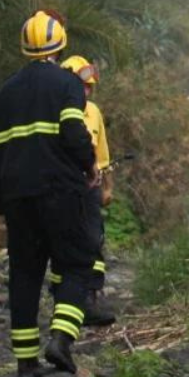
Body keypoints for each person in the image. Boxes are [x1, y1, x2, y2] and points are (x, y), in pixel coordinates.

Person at [0, 12, 98, 377]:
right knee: (78, 264)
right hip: (61, 192)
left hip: (19, 198)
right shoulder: (67, 84)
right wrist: (90, 166)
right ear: (60, 44)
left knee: (25, 275)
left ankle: (25, 362)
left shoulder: (5, 92)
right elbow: (73, 132)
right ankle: (61, 338)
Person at [58, 55, 116, 327]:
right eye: (83, 86)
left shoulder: (93, 112)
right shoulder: (55, 108)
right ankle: (64, 300)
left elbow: (102, 155)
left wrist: (107, 187)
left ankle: (91, 297)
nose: (86, 92)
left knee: (94, 239)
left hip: (90, 186)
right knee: (64, 242)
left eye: (90, 87)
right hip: (63, 185)